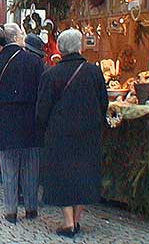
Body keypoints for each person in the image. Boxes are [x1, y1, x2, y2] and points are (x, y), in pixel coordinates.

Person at [36, 28, 108, 238]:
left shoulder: (51, 74)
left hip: (60, 134)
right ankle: (76, 220)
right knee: (84, 175)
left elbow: (42, 109)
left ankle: (68, 222)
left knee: (63, 176)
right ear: (80, 47)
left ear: (60, 48)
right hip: (88, 132)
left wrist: (43, 129)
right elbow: (103, 102)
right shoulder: (94, 71)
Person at [0, 23, 44, 225]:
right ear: (16, 38)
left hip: (5, 123)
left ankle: (10, 210)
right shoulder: (34, 62)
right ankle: (32, 208)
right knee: (31, 167)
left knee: (9, 169)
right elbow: (43, 93)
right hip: (31, 122)